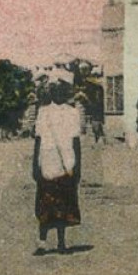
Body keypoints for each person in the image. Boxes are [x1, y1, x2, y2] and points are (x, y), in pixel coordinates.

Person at [33, 77, 83, 254]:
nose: (58, 94)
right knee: (45, 204)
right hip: (47, 161)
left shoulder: (72, 113)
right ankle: (42, 242)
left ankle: (61, 242)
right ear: (51, 93)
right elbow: (38, 139)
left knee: (62, 204)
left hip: (66, 163)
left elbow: (76, 141)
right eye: (55, 90)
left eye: (62, 90)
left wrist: (77, 167)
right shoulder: (43, 112)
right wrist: (35, 165)